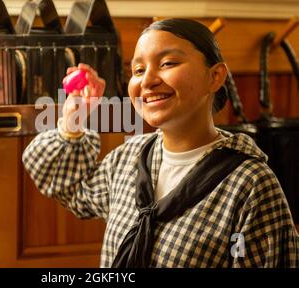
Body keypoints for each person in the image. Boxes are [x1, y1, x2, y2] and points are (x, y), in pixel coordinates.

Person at [22, 18, 299, 267]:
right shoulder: (129, 158)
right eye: (138, 69)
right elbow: (72, 189)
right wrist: (73, 121)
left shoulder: (250, 185)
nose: (148, 81)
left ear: (215, 76)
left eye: (168, 63)